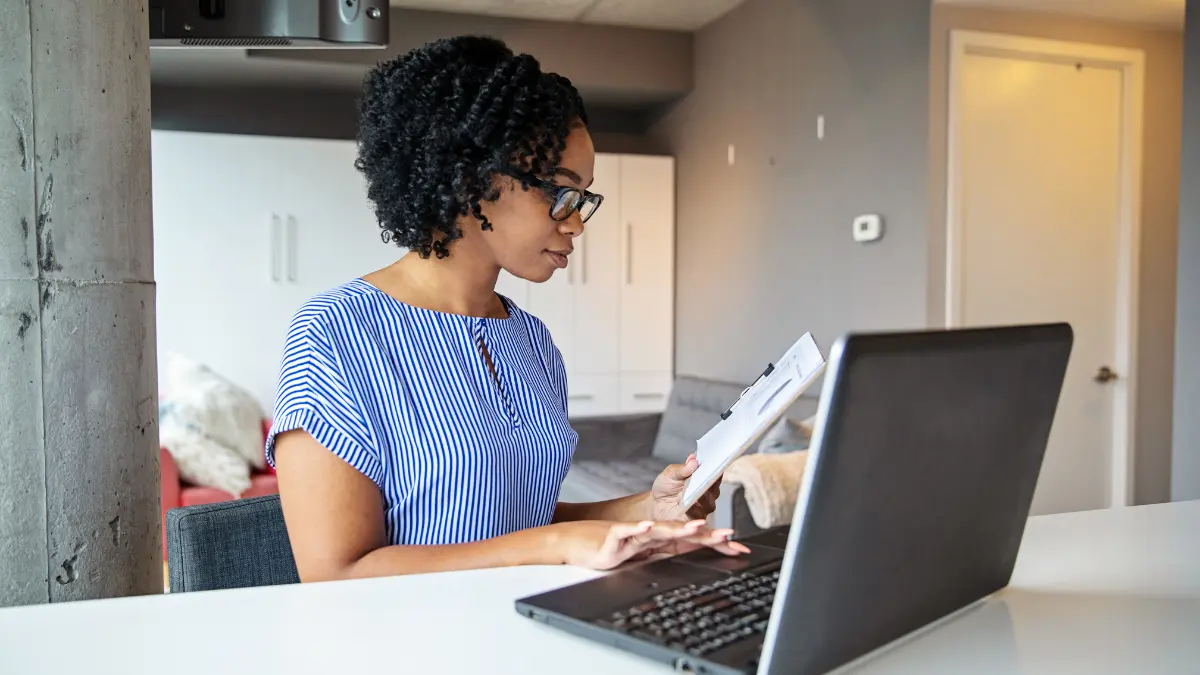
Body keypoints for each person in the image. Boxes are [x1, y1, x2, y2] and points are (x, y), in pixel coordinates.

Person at [268, 35, 747, 583]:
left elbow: (519, 526)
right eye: (561, 193)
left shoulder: (531, 341)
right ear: (472, 178)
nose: (577, 222)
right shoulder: (336, 332)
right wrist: (560, 543)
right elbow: (335, 574)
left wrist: (647, 510)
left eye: (584, 198)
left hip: (531, 622)